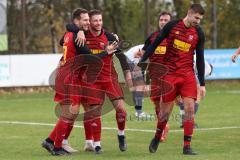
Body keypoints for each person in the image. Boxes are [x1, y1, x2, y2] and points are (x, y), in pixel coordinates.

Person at [41, 8, 117, 156]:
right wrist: (106, 52)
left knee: (71, 113)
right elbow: (91, 58)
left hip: (69, 77)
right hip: (70, 77)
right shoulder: (78, 37)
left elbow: (62, 40)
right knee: (70, 113)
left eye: (89, 19)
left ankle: (52, 141)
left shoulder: (70, 34)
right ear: (77, 21)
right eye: (85, 20)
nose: (88, 22)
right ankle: (56, 147)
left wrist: (78, 30)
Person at [139, 4, 206, 155]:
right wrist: (144, 59)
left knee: (189, 108)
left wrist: (202, 83)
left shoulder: (199, 33)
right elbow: (154, 43)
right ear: (189, 13)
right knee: (165, 112)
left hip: (187, 74)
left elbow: (200, 58)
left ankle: (187, 146)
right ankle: (157, 137)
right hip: (170, 74)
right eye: (196, 17)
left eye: (200, 19)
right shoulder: (172, 25)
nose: (198, 21)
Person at [66, 9, 132, 153]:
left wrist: (127, 74)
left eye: (100, 20)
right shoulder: (82, 36)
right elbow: (67, 28)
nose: (98, 23)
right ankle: (97, 145)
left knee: (121, 110)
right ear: (89, 21)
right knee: (95, 112)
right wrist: (79, 31)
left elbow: (121, 56)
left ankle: (121, 135)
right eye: (95, 20)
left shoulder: (109, 37)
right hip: (92, 80)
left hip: (109, 78)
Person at [135, 11, 172, 141]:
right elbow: (144, 55)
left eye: (166, 20)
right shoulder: (152, 37)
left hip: (171, 76)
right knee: (156, 103)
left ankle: (162, 129)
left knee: (168, 103)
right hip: (154, 76)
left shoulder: (176, 38)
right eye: (161, 19)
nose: (163, 22)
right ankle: (164, 126)